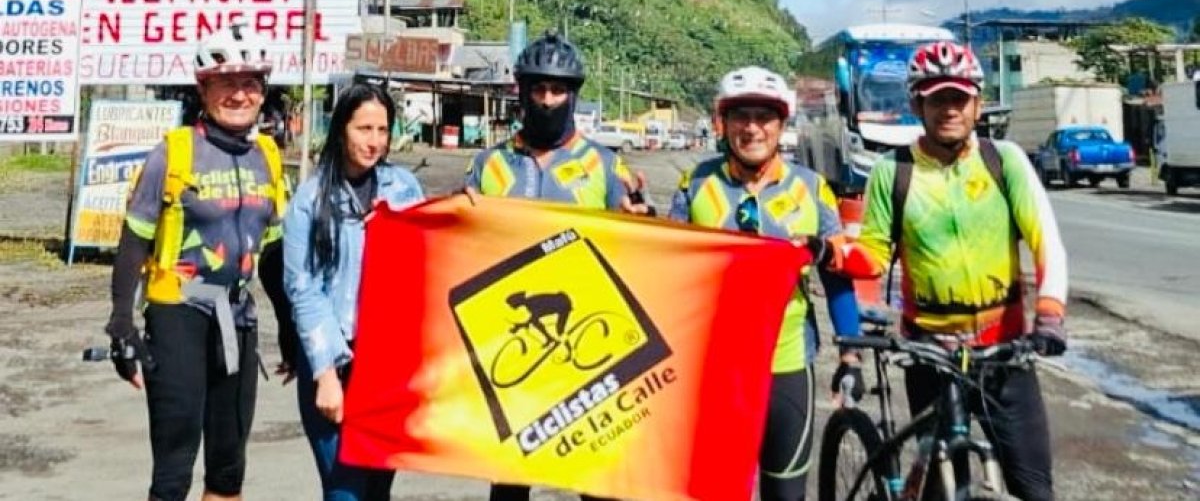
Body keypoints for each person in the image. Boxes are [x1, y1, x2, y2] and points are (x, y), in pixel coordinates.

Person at [856, 40, 1068, 501]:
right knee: (936, 489)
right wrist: (834, 257)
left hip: (1005, 353)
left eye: (958, 98)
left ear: (977, 103)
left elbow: (1045, 240)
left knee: (1036, 490)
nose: (948, 110)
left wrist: (1049, 314)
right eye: (936, 99)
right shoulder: (892, 172)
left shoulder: (1003, 160)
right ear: (918, 104)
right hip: (929, 353)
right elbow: (871, 256)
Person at [104, 23, 288, 501]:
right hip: (177, 313)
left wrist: (289, 327)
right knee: (173, 471)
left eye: (250, 83)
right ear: (203, 88)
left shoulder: (266, 157)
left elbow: (271, 253)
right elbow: (133, 242)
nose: (240, 94)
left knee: (229, 470)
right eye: (226, 82)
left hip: (239, 321)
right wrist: (122, 325)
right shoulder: (175, 153)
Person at [464, 30, 648, 501]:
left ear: (573, 94)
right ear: (521, 93)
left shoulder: (606, 166)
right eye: (538, 90)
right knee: (509, 482)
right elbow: (460, 247)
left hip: (590, 346)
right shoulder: (488, 166)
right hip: (512, 340)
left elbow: (640, 247)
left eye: (558, 90)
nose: (547, 100)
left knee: (597, 484)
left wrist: (640, 219)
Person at [667, 66, 863, 501]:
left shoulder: (813, 191)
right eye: (740, 116)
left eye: (764, 116)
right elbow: (668, 274)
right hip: (714, 373)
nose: (752, 128)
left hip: (787, 366)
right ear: (723, 122)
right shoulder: (694, 185)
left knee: (786, 493)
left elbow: (837, 277)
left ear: (781, 124)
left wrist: (851, 354)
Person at [279, 82, 425, 500]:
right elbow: (302, 290)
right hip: (336, 361)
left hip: (390, 365)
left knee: (378, 490)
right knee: (345, 490)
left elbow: (430, 254)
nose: (374, 141)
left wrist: (465, 210)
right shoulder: (309, 200)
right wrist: (326, 375)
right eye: (364, 129)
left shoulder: (403, 188)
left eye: (382, 130)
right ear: (341, 128)